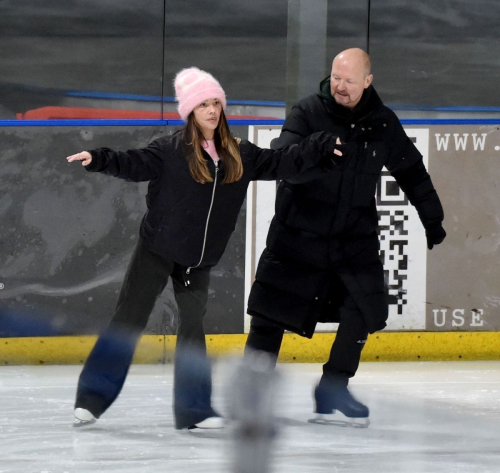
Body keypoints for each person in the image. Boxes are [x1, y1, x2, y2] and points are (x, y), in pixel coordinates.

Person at [66, 67, 345, 430]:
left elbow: (282, 161)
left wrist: (319, 146)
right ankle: (91, 400)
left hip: (197, 261)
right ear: (191, 112)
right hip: (158, 248)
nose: (212, 110)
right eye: (203, 105)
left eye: (216, 103)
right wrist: (99, 158)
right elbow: (132, 163)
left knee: (193, 329)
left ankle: (194, 410)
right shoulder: (170, 150)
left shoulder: (238, 154)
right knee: (128, 320)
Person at [245, 48, 446, 426]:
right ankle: (253, 394)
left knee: (365, 308)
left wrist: (432, 219)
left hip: (352, 239)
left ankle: (333, 388)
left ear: (367, 82)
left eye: (349, 80)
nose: (339, 86)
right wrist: (315, 151)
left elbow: (412, 172)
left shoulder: (382, 123)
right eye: (335, 77)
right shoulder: (307, 113)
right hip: (297, 234)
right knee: (270, 315)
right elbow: (282, 162)